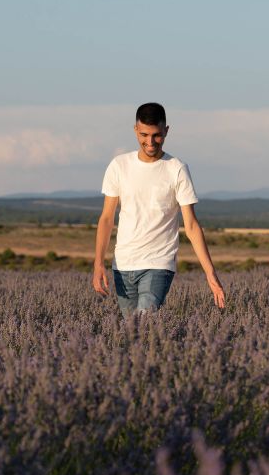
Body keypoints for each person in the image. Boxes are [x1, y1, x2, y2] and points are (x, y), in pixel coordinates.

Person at [92, 102, 225, 316]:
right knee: (132, 333)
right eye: (144, 134)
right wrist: (98, 263)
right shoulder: (119, 166)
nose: (150, 142)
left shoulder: (177, 169)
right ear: (135, 130)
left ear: (166, 131)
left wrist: (210, 273)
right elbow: (107, 219)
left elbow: (191, 225)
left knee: (144, 324)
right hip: (123, 264)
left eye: (157, 135)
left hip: (159, 263)